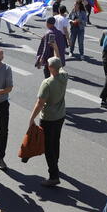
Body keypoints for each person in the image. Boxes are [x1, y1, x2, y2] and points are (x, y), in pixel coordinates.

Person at [27, 56, 68, 187]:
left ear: (50, 68)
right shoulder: (64, 76)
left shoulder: (47, 83)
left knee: (48, 147)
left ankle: (53, 176)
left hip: (48, 119)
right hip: (60, 116)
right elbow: (59, 63)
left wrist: (32, 118)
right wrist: (55, 46)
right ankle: (56, 165)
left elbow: (40, 103)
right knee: (56, 142)